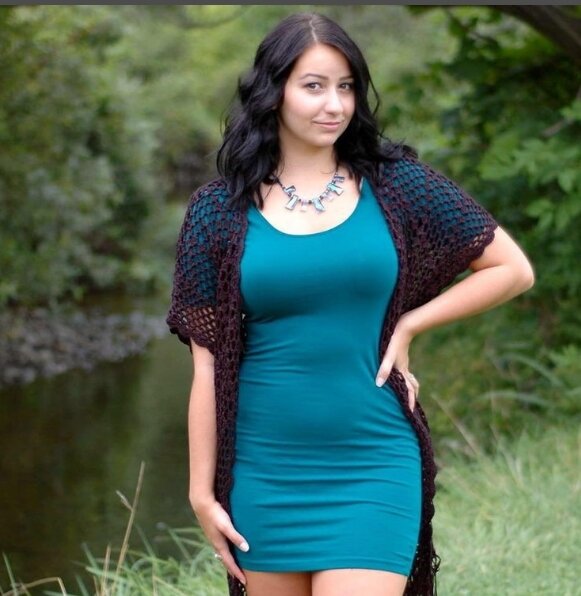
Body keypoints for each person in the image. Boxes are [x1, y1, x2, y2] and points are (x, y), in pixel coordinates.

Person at [166, 12, 534, 596]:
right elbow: (206, 367)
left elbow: (511, 269)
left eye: (346, 86)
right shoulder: (218, 211)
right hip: (264, 471)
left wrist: (411, 322)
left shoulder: (398, 185)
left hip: (373, 461)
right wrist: (201, 492)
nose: (334, 104)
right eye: (314, 86)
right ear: (274, 91)